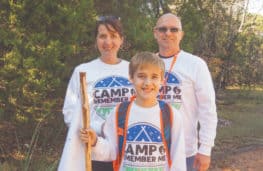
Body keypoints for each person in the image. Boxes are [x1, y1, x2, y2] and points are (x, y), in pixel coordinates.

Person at [80, 52, 186, 171]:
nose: (147, 83)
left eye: (154, 77)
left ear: (162, 80)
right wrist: (95, 141)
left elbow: (178, 159)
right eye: (141, 76)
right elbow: (111, 152)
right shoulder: (119, 112)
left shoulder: (171, 115)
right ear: (131, 77)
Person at [58, 16, 134, 171]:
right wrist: (94, 130)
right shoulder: (83, 71)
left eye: (113, 36)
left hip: (127, 148)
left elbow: (142, 106)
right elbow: (70, 111)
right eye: (102, 36)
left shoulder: (132, 70)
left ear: (121, 40)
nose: (108, 42)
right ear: (96, 40)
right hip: (93, 150)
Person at [153, 13, 218, 171]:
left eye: (174, 29)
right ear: (155, 33)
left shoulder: (195, 64)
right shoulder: (146, 62)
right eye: (163, 29)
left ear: (181, 34)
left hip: (185, 153)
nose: (168, 33)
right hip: (151, 151)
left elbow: (207, 109)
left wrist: (205, 149)